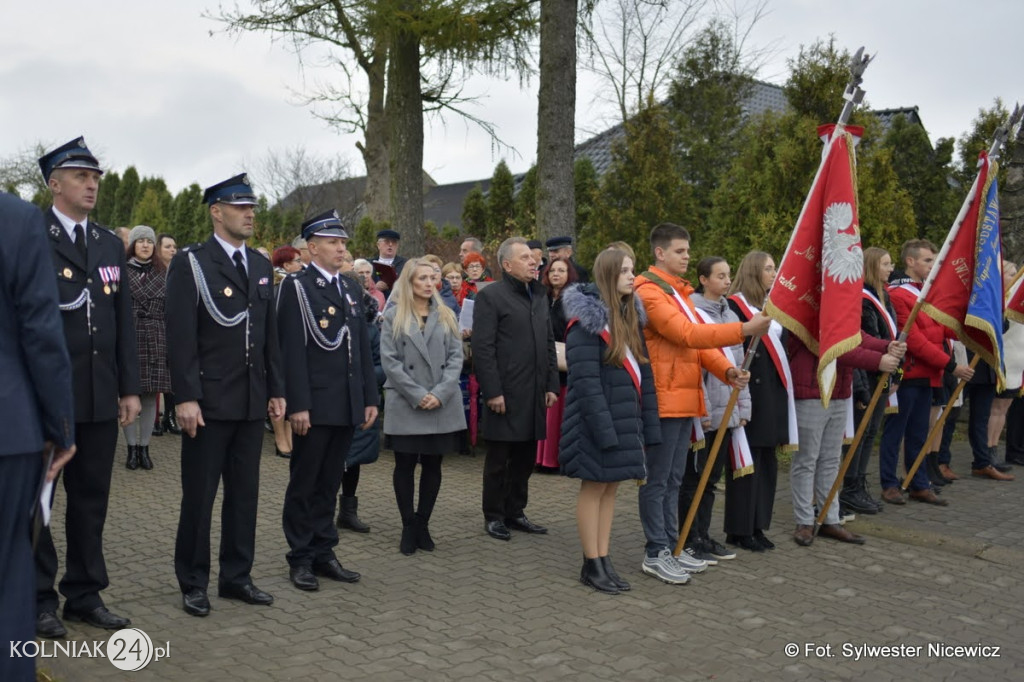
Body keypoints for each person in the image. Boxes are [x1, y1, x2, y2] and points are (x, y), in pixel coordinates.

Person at [35, 137, 142, 638]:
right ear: (54, 184)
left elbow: (122, 321)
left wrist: (128, 387)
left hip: (100, 393)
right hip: (48, 396)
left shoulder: (105, 244)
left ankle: (84, 593)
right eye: (80, 176)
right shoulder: (31, 235)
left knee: (92, 497)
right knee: (40, 499)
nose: (92, 183)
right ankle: (37, 597)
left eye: (95, 175)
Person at [166, 173, 285, 617]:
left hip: (252, 400)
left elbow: (268, 334)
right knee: (199, 496)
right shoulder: (191, 262)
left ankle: (237, 576)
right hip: (209, 401)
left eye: (252, 205)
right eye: (240, 206)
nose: (250, 213)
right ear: (217, 212)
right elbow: (180, 337)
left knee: (245, 494)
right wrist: (186, 396)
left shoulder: (259, 265)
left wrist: (276, 391)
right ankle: (193, 581)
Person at [633, 223, 768, 584]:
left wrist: (726, 370)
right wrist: (743, 329)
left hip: (684, 397)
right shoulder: (649, 292)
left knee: (675, 479)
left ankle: (673, 548)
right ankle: (655, 551)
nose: (687, 256)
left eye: (688, 250)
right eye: (680, 251)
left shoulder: (678, 293)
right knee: (658, 480)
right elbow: (686, 334)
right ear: (659, 254)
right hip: (664, 398)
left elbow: (699, 345)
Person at [277, 210, 377, 590]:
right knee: (306, 482)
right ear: (312, 247)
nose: (341, 248)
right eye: (333, 242)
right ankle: (300, 556)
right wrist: (298, 404)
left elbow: (362, 350)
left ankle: (324, 551)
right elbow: (291, 351)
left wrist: (369, 397)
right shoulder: (296, 287)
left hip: (347, 402)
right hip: (314, 404)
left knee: (330, 481)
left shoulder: (350, 288)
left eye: (343, 242)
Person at [0, 192, 76, 682]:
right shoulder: (17, 218)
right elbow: (41, 331)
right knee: (9, 569)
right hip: (9, 427)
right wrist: (60, 427)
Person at [560, 249, 661, 594]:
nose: (633, 277)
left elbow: (644, 377)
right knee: (593, 489)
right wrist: (606, 430)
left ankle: (604, 558)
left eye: (632, 270)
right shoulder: (585, 324)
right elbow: (586, 384)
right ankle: (591, 563)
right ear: (608, 276)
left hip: (624, 421)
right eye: (625, 272)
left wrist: (648, 425)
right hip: (595, 425)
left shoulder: (629, 317)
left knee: (611, 488)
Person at [472, 237, 559, 540]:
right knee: (499, 459)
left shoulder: (539, 295)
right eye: (525, 258)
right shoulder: (491, 297)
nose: (534, 261)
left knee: (524, 459)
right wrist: (493, 391)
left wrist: (551, 383)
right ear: (507, 265)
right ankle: (494, 515)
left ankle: (515, 511)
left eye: (534, 258)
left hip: (534, 392)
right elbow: (483, 349)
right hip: (505, 394)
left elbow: (548, 343)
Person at [879, 239, 977, 506]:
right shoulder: (899, 295)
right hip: (909, 373)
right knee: (896, 430)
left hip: (928, 374)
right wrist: (951, 365)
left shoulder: (925, 293)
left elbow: (943, 328)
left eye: (933, 261)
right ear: (910, 262)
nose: (932, 266)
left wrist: (972, 330)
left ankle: (917, 482)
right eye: (927, 261)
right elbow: (915, 341)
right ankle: (889, 482)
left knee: (920, 432)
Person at [381, 260, 466, 554]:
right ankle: (407, 525)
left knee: (433, 464)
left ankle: (423, 523)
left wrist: (440, 393)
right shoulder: (393, 316)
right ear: (409, 283)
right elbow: (390, 362)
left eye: (433, 278)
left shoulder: (446, 315)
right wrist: (418, 394)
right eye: (422, 278)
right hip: (407, 401)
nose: (430, 283)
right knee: (404, 464)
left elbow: (456, 358)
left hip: (441, 401)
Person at [680, 257, 749, 560]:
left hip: (727, 412)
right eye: (720, 276)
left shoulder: (730, 313)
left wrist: (742, 408)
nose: (726, 281)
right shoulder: (692, 313)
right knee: (694, 478)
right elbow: (696, 368)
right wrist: (703, 412)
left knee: (711, 479)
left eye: (728, 275)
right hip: (704, 415)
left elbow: (739, 365)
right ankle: (687, 535)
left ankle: (703, 535)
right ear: (703, 279)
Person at [726, 251, 790, 552]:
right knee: (746, 463)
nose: (774, 273)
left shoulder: (773, 307)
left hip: (773, 394)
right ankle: (740, 529)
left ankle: (758, 524)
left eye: (774, 268)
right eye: (768, 268)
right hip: (750, 393)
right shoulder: (736, 306)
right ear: (753, 272)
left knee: (767, 463)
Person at [840, 246, 899, 514]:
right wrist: (864, 386)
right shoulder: (863, 299)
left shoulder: (883, 296)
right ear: (872, 266)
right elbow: (860, 341)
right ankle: (850, 488)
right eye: (886, 264)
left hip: (883, 373)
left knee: (871, 432)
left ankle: (858, 485)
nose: (890, 268)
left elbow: (890, 335)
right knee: (860, 434)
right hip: (867, 376)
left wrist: (896, 369)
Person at [122, 225, 171, 471]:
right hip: (130, 337)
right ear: (133, 244)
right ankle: (131, 449)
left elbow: (171, 311)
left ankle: (145, 448)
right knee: (128, 394)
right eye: (140, 241)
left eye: (149, 241)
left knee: (151, 396)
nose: (145, 245)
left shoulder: (164, 273)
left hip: (155, 337)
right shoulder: (121, 271)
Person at [535, 257, 578, 470]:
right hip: (542, 361)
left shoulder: (573, 300)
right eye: (553, 270)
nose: (556, 274)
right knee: (544, 413)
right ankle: (540, 458)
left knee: (558, 414)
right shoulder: (540, 297)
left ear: (569, 274)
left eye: (561, 270)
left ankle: (555, 459)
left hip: (563, 361)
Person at [372, 229, 407, 295]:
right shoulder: (369, 264)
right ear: (378, 245)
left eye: (394, 242)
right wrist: (374, 288)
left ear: (397, 246)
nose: (390, 244)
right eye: (386, 241)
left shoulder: (405, 264)